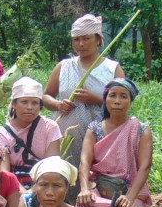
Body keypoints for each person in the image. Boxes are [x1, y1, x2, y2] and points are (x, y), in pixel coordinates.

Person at [76, 79, 152, 207]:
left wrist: (130, 197)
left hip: (130, 189)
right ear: (105, 100)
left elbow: (145, 166)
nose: (117, 101)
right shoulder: (94, 128)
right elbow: (85, 161)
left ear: (131, 101)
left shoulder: (141, 129)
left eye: (123, 96)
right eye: (113, 95)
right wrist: (85, 189)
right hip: (100, 186)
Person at [43, 14, 125, 166]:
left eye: (86, 38)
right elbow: (46, 97)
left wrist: (95, 99)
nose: (81, 44)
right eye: (76, 39)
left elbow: (123, 105)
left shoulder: (112, 69)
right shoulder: (63, 67)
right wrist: (58, 105)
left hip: (101, 138)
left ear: (98, 40)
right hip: (65, 138)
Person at [0, 77, 62, 188]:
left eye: (35, 103)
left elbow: (52, 165)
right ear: (14, 105)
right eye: (24, 102)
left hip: (43, 183)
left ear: (40, 107)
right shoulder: (2, 133)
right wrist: (23, 194)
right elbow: (4, 172)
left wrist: (34, 192)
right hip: (11, 184)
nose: (29, 107)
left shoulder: (50, 127)